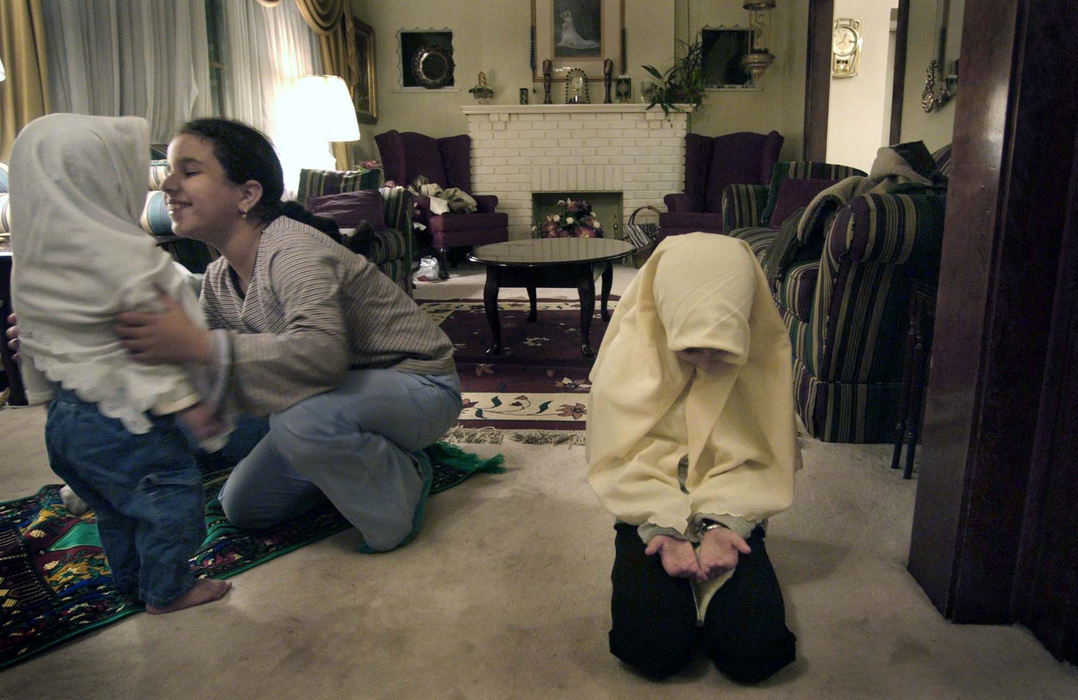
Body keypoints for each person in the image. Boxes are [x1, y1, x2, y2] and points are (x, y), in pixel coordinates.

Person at [113, 118, 462, 553]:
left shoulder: (292, 249)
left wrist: (200, 345)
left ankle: (404, 483)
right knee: (244, 507)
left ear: (247, 194)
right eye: (169, 170)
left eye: (189, 170)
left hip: (417, 384)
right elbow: (209, 378)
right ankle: (356, 457)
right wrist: (84, 349)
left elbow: (321, 357)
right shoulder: (220, 279)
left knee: (300, 421)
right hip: (327, 399)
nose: (168, 183)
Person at [8, 113, 231, 614]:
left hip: (66, 423)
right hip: (129, 422)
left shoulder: (32, 263)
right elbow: (154, 350)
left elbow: (35, 346)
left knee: (115, 511)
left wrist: (45, 401)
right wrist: (192, 408)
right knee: (170, 503)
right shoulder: (128, 260)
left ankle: (131, 583)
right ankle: (169, 589)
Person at [585, 232, 801, 683]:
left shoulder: (762, 357)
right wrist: (662, 528)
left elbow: (762, 458)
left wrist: (727, 525)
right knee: (654, 650)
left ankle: (717, 586)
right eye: (690, 347)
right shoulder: (630, 355)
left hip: (733, 505)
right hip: (646, 504)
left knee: (755, 654)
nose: (705, 361)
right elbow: (619, 457)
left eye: (720, 350)